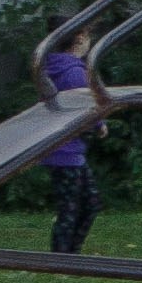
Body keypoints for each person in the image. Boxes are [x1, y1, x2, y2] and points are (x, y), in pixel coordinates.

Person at [35, 35, 100, 256]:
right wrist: (99, 125)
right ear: (79, 40)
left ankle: (69, 254)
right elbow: (86, 103)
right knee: (73, 208)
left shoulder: (51, 66)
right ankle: (63, 256)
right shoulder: (74, 72)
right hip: (67, 151)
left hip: (67, 150)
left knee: (88, 203)